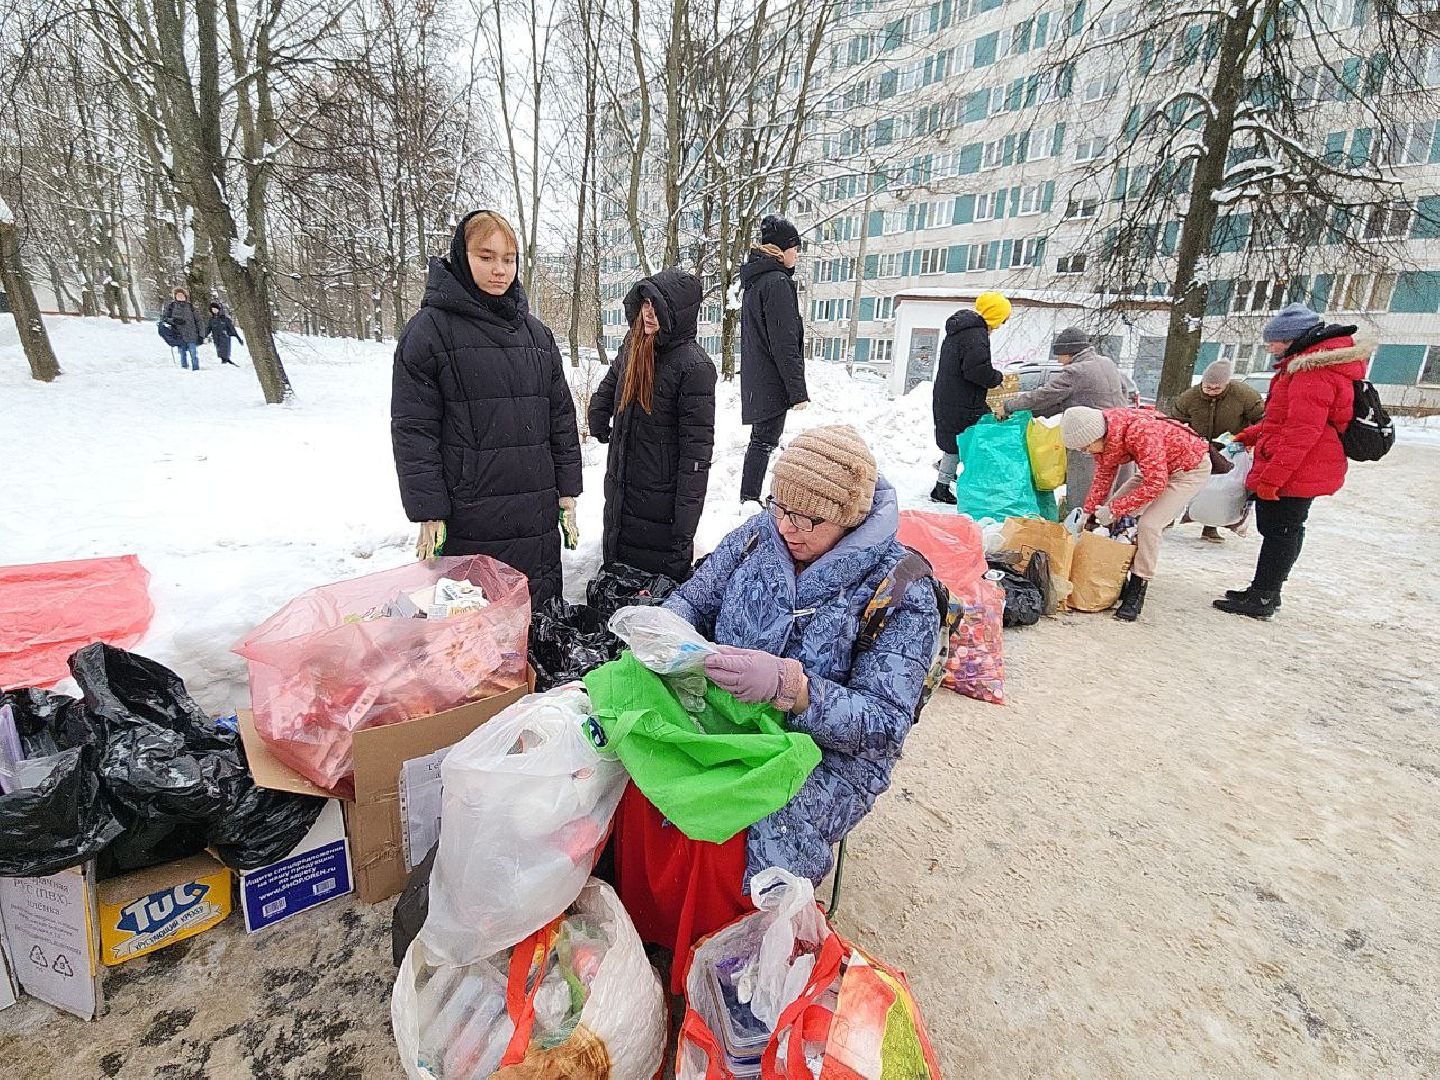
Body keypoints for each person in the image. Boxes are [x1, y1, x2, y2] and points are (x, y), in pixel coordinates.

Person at [613, 425, 941, 990]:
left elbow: (884, 724)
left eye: (808, 520)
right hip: (728, 723)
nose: (788, 528)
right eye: (781, 508)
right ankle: (646, 930)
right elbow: (694, 598)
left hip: (823, 754)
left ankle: (710, 969)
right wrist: (669, 633)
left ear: (850, 519)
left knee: (723, 834)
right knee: (640, 777)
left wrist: (793, 687)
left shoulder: (899, 590)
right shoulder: (758, 537)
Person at [391, 209, 582, 607]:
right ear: (462, 257)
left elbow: (561, 418)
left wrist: (567, 491)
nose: (499, 269)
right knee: (478, 620)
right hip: (471, 512)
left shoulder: (537, 335)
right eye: (486, 256)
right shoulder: (429, 332)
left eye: (508, 259)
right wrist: (429, 509)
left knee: (536, 612)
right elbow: (415, 430)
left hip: (535, 511)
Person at [1213, 305, 1370, 620]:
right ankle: (1265, 591)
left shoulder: (1312, 373)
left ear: (1292, 339)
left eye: (1274, 342)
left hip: (1299, 467)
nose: (1270, 348)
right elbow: (1281, 420)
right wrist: (1246, 436)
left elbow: (1301, 434)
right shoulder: (1305, 368)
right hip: (1305, 463)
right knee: (1283, 529)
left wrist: (1272, 479)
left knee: (1280, 530)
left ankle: (1263, 596)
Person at [589, 268, 717, 582]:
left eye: (657, 305)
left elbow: (696, 455)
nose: (648, 312)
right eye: (645, 303)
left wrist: (684, 528)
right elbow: (613, 381)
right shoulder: (634, 345)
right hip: (622, 490)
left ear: (677, 312)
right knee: (617, 579)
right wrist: (598, 411)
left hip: (660, 507)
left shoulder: (694, 367)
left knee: (651, 593)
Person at [1062, 405, 1211, 622]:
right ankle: (1114, 574)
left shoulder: (1141, 431)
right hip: (1155, 468)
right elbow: (1104, 476)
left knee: (1149, 525)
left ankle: (1138, 585)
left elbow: (1156, 484)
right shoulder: (1104, 437)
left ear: (1098, 435)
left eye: (1085, 447)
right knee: (1109, 516)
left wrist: (1115, 509)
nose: (1085, 452)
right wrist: (1089, 511)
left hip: (1188, 470)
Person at [995, 326, 1132, 515]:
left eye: (1059, 354)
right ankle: (1113, 527)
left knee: (1084, 492)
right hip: (1122, 433)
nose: (1058, 361)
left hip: (1092, 436)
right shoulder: (1107, 363)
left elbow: (1043, 396)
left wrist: (1008, 406)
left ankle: (1079, 525)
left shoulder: (1076, 371)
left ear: (1069, 351)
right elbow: (1118, 392)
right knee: (1116, 493)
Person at [738, 215, 808, 507]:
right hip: (772, 377)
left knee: (761, 440)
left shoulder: (757, 281)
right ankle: (749, 499)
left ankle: (749, 497)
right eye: (794, 248)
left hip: (759, 375)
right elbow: (784, 341)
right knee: (764, 441)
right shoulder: (777, 282)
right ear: (781, 249)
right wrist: (797, 391)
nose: (797, 254)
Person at [1168, 359, 1265, 541]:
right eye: (1208, 387)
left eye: (1217, 387)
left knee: (1220, 489)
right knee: (1181, 483)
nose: (1212, 390)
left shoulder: (1244, 395)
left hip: (1230, 449)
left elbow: (1262, 418)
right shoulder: (1190, 397)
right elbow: (1175, 421)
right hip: (1196, 448)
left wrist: (1249, 437)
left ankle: (1210, 526)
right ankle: (1167, 517)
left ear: (1227, 383)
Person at [931, 291, 1010, 503]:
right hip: (962, 401)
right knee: (961, 442)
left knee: (956, 441)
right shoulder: (976, 335)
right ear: (994, 315)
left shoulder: (961, 330)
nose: (1001, 325)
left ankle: (944, 472)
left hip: (951, 396)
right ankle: (941, 487)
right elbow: (976, 371)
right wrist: (996, 378)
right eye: (1002, 319)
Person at [161, 287, 204, 371]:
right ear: (175, 297)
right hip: (179, 335)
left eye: (182, 295)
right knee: (182, 353)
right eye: (178, 295)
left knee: (193, 353)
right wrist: (174, 320)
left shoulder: (190, 307)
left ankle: (196, 369)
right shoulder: (171, 306)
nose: (180, 297)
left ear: (185, 296)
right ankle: (184, 369)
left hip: (192, 334)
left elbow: (199, 321)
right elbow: (164, 318)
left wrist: (201, 335)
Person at [204, 301, 243, 366]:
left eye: (215, 308)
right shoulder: (211, 320)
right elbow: (208, 329)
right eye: (212, 309)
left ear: (218, 309)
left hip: (225, 338)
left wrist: (238, 338)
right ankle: (227, 364)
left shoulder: (224, 318)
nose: (214, 310)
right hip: (217, 339)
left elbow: (232, 329)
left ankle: (227, 364)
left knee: (225, 353)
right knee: (221, 354)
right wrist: (203, 336)